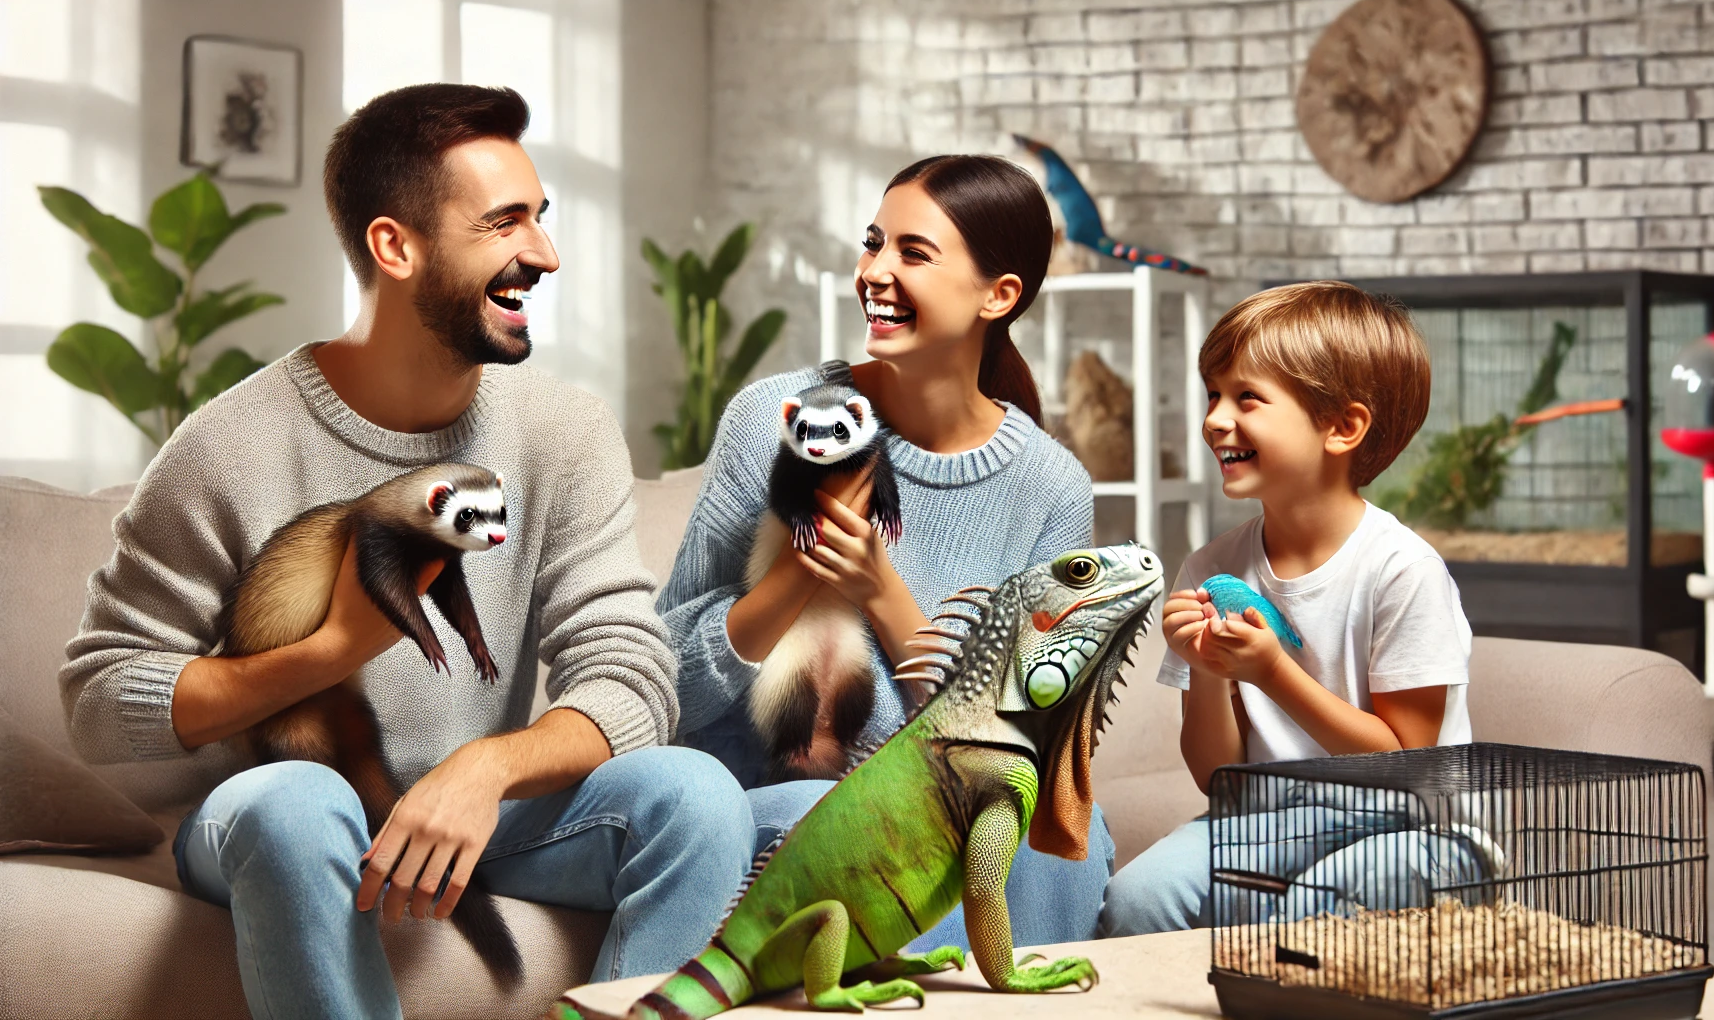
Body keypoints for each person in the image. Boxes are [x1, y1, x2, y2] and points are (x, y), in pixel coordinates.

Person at [59, 84, 752, 1017]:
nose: (544, 253)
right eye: (505, 223)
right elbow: (102, 700)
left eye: (540, 219)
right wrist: (329, 653)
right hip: (284, 816)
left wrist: (485, 768)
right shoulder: (229, 445)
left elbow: (631, 679)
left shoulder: (565, 431)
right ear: (397, 247)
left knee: (698, 794)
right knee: (295, 802)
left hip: (484, 817)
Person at [656, 154, 1114, 950]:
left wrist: (881, 589)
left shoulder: (1052, 487)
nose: (874, 272)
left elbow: (1018, 740)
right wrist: (794, 577)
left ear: (998, 295)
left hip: (939, 803)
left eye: (913, 252)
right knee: (860, 836)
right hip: (773, 796)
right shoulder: (777, 416)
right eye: (874, 243)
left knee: (1062, 846)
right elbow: (660, 681)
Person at [1100, 281, 1484, 936]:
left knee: (1316, 906)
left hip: (1418, 831)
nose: (1216, 419)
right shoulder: (1210, 567)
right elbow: (1215, 777)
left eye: (1247, 397)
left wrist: (1273, 672)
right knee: (1137, 897)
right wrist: (1213, 669)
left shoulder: (1402, 572)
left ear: (1342, 427)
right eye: (1213, 394)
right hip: (1263, 822)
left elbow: (1409, 765)